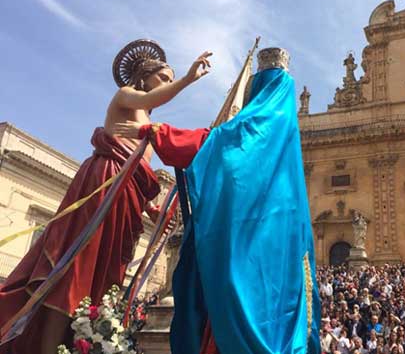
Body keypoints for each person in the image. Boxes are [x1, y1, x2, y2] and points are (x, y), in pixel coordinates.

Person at [0, 39, 212, 354]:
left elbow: (139, 170)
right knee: (76, 272)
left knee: (102, 282)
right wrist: (187, 80)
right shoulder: (125, 96)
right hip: (104, 183)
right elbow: (157, 100)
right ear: (144, 75)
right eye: (164, 77)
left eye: (171, 79)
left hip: (126, 197)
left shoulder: (147, 125)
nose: (167, 83)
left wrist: (151, 211)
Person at [115, 47, 321, 354]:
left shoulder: (257, 127)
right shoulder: (287, 142)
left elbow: (220, 146)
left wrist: (155, 131)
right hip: (284, 261)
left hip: (247, 257)